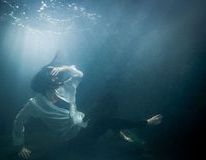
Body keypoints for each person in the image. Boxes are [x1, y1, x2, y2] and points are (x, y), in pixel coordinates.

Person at [12, 64, 162, 159]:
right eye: (54, 75)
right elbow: (19, 121)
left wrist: (65, 68)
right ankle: (146, 123)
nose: (59, 77)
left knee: (103, 107)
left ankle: (119, 132)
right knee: (105, 120)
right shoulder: (35, 104)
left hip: (83, 123)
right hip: (74, 138)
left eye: (58, 74)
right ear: (46, 81)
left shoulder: (65, 88)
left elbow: (79, 74)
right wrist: (21, 146)